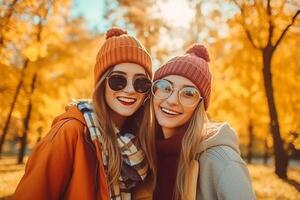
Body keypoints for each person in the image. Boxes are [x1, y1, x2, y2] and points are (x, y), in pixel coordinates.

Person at [13, 27, 155, 200]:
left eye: (141, 83)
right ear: (102, 84)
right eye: (118, 80)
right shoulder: (70, 132)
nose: (131, 90)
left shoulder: (144, 144)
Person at [151, 44, 256, 200]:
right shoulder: (145, 154)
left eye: (188, 93)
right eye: (165, 87)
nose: (172, 100)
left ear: (199, 105)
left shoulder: (222, 161)